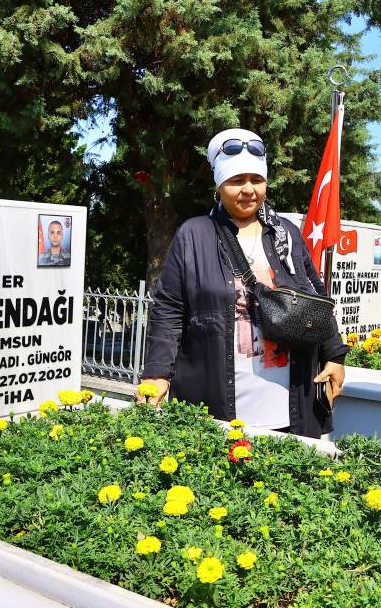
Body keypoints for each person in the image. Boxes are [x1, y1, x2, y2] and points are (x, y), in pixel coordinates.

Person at [139, 128, 347, 437]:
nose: (248, 190)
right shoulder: (195, 235)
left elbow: (314, 294)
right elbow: (169, 309)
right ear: (219, 185)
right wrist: (157, 373)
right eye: (236, 181)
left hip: (289, 398)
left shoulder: (286, 234)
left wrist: (334, 354)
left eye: (256, 180)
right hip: (216, 398)